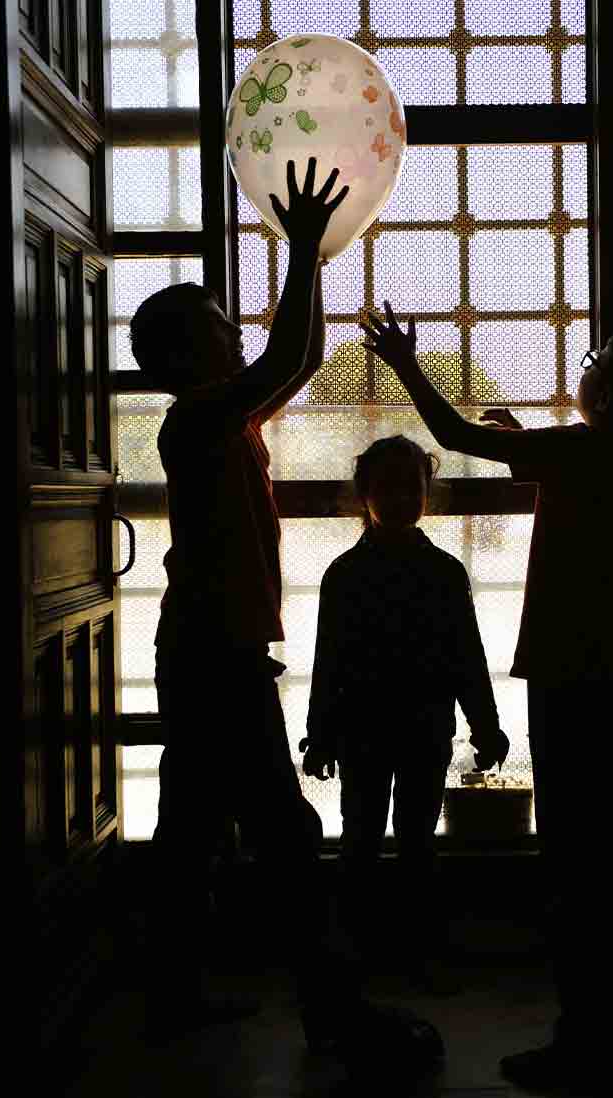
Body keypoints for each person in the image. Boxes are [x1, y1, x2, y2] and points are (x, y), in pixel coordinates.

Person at [359, 303, 613, 1092]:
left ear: (605, 397)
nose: (584, 366)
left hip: (570, 674)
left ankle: (583, 1040)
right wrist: (522, 439)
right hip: (612, 665)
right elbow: (548, 468)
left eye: (594, 360)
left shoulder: (582, 451)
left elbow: (459, 441)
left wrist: (405, 364)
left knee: (573, 858)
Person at [128, 157, 350, 1040]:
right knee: (280, 834)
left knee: (192, 829)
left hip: (211, 651)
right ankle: (328, 1008)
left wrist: (314, 262)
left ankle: (176, 997)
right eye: (223, 329)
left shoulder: (229, 418)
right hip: (216, 656)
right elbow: (284, 354)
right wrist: (297, 251)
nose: (236, 337)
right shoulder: (196, 419)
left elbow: (301, 355)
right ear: (188, 355)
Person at [300, 434, 510, 993]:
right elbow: (464, 656)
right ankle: (407, 952)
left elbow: (466, 654)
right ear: (365, 493)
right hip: (415, 724)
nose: (399, 497)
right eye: (389, 487)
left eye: (408, 486)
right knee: (395, 838)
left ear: (424, 493)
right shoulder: (437, 571)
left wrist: (321, 734)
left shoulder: (348, 573)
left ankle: (364, 955)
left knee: (376, 837)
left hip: (373, 727)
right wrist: (484, 726)